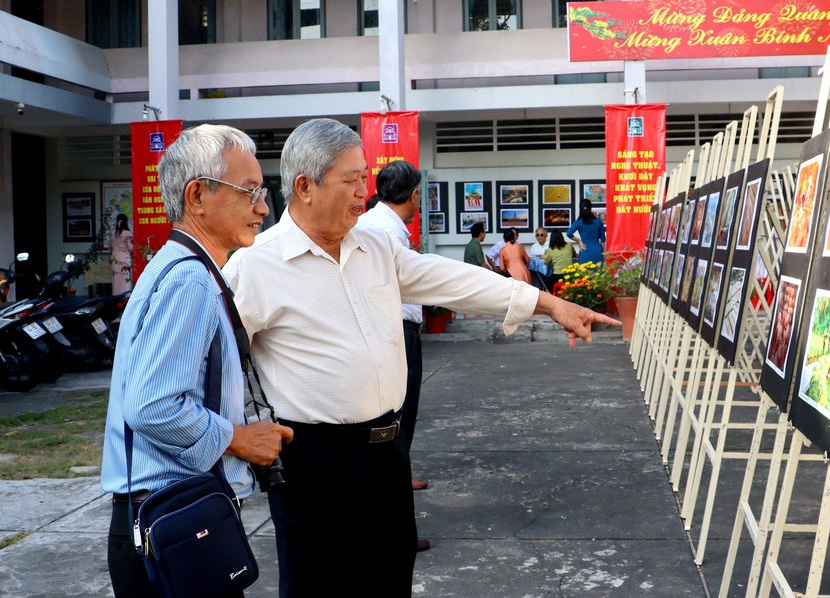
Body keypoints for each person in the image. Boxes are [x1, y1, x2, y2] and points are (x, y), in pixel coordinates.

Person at [222, 118, 618, 597]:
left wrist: (550, 303)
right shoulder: (256, 265)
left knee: (391, 580)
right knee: (317, 587)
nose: (363, 193)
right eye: (352, 180)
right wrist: (233, 436)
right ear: (305, 187)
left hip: (386, 455)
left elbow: (451, 279)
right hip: (313, 464)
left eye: (364, 178)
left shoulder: (374, 246)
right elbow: (214, 359)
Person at [100, 124, 293, 597]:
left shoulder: (181, 266)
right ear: (197, 195)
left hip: (166, 519)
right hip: (172, 526)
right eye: (249, 192)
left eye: (262, 192)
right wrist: (239, 439)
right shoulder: (189, 281)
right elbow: (152, 406)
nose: (263, 208)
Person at [354, 160, 431, 553]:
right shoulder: (387, 232)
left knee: (393, 429)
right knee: (397, 428)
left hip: (389, 332)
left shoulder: (375, 224)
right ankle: (397, 530)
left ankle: (396, 502)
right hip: (395, 333)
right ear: (413, 194)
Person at [567, 198, 606, 264]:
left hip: (585, 249)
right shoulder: (598, 221)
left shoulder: (578, 222)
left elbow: (569, 233)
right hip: (597, 250)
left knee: (584, 272)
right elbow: (603, 240)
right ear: (590, 208)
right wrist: (603, 254)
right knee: (598, 272)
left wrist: (579, 241)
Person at [109, 213, 134, 295]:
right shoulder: (128, 233)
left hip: (114, 259)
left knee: (116, 280)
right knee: (125, 279)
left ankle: (116, 297)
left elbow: (111, 247)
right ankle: (125, 297)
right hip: (125, 259)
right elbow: (131, 248)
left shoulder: (113, 233)